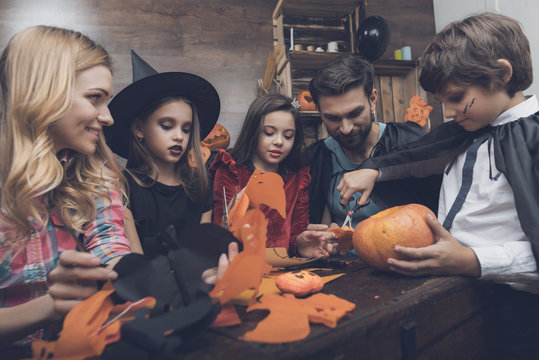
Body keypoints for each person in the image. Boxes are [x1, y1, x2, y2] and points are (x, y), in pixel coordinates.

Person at [337, 13, 539, 359]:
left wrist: (473, 260)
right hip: (454, 293)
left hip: (519, 308)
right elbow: (419, 158)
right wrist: (375, 171)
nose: (447, 113)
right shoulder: (464, 132)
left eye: (457, 97)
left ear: (503, 74)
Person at [0, 26, 131, 352]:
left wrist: (176, 275)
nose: (108, 117)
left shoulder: (95, 177)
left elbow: (112, 252)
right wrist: (48, 307)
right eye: (95, 98)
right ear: (44, 93)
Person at [105, 51, 219, 258]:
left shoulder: (200, 184)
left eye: (186, 129)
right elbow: (137, 261)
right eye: (167, 126)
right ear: (139, 129)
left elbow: (203, 254)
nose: (179, 137)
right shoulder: (125, 187)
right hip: (148, 287)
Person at [306, 54, 440, 228]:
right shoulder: (317, 158)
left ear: (372, 100)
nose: (346, 128)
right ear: (318, 110)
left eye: (354, 114)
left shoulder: (408, 141)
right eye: (333, 118)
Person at [210, 93, 335, 258]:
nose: (279, 141)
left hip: (282, 270)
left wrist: (301, 244)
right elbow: (219, 234)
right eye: (269, 133)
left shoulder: (297, 178)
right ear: (253, 132)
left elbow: (295, 235)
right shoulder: (231, 170)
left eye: (288, 136)